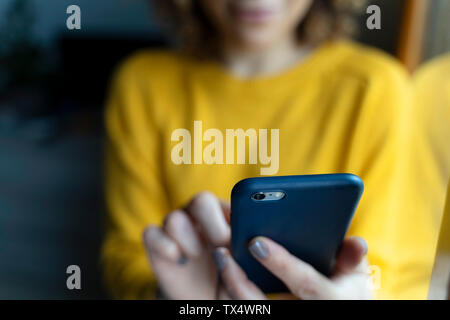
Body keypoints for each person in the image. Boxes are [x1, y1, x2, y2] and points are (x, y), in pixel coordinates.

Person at [101, 0, 438, 299]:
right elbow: (126, 258)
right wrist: (174, 294)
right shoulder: (141, 86)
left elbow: (386, 269)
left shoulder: (376, 89)